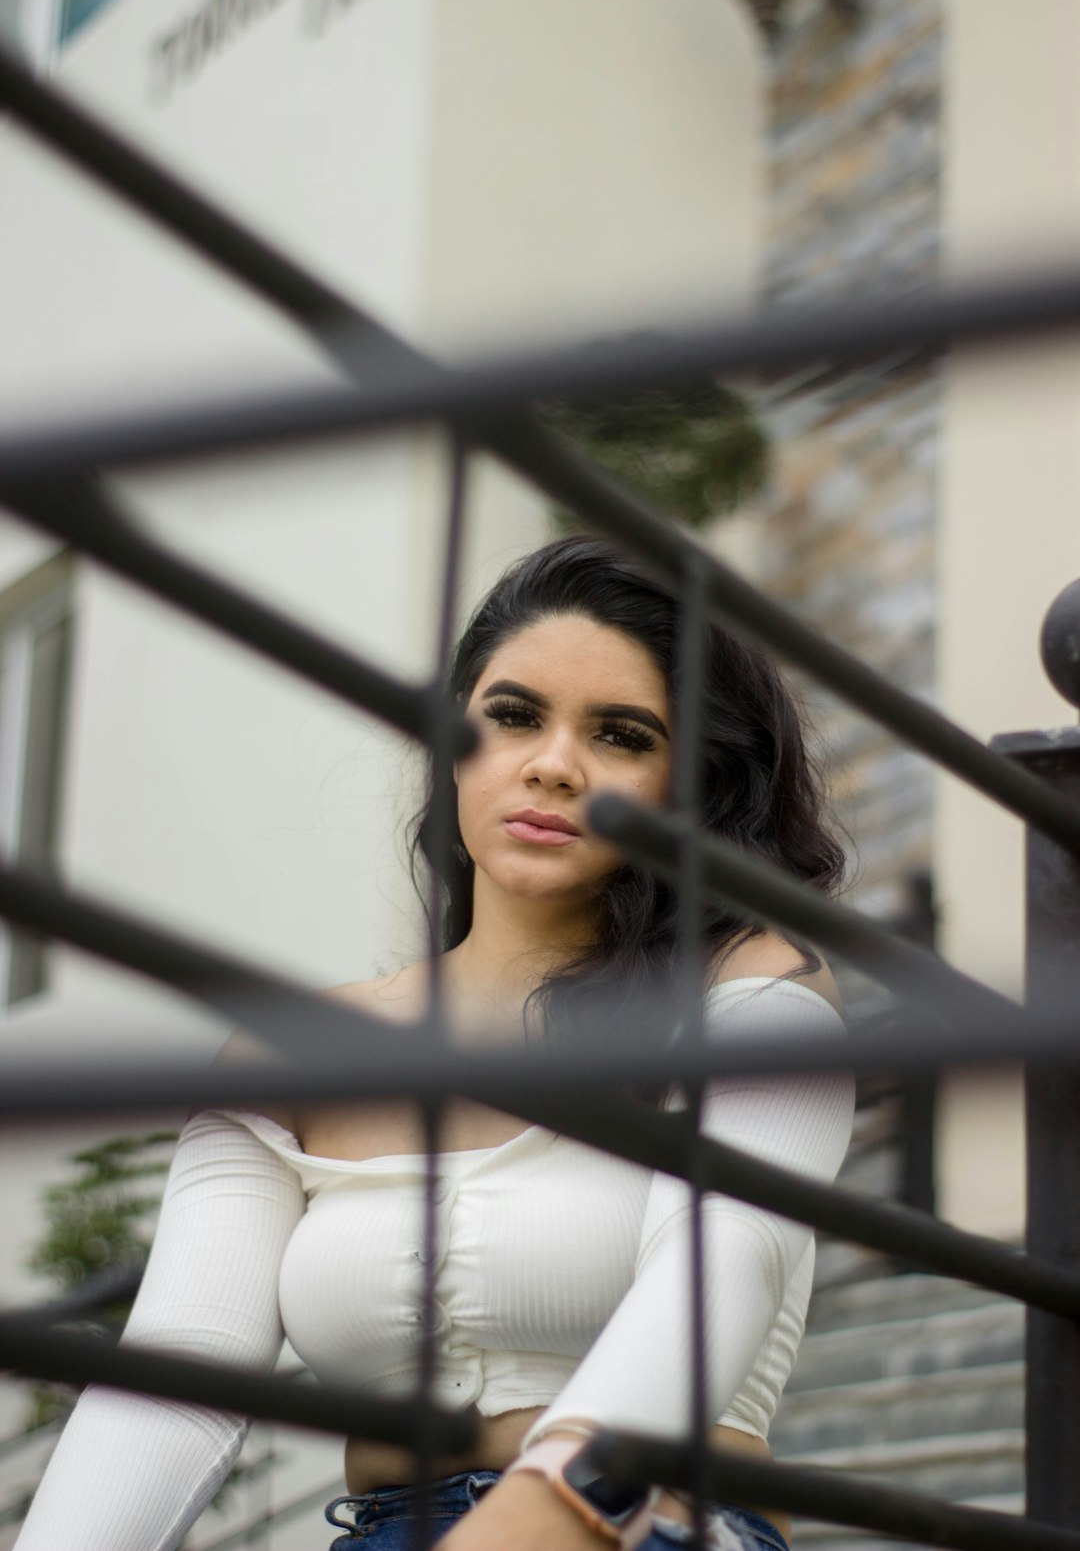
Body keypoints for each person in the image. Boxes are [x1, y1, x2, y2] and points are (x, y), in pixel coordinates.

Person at [15, 535, 854, 1551]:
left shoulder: (756, 999)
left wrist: (542, 1514)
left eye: (622, 735)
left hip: (653, 1525)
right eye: (512, 716)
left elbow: (724, 1272)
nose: (552, 764)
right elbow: (178, 1372)